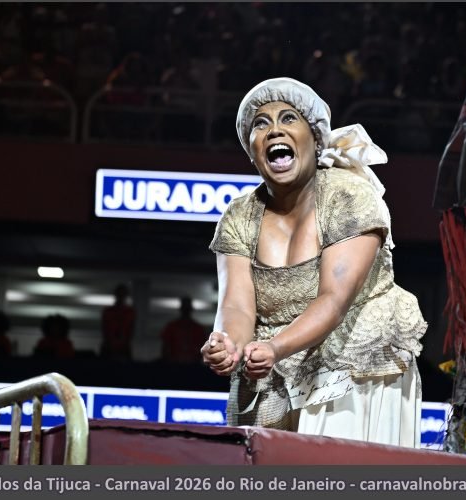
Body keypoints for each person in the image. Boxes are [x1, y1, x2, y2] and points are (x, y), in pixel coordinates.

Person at [200, 77, 426, 446]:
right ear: (251, 148)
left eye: (288, 118)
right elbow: (237, 304)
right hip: (274, 367)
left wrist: (275, 347)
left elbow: (333, 301)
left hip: (352, 370)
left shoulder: (349, 194)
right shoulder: (239, 215)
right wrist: (228, 344)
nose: (274, 130)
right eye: (261, 123)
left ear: (315, 138)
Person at [161, 297, 207, 363]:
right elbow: (165, 347)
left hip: (192, 364)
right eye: (185, 308)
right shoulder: (171, 327)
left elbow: (202, 348)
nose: (186, 310)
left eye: (187, 308)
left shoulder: (198, 328)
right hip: (175, 364)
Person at [100, 283, 135, 360]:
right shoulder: (108, 312)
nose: (121, 297)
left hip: (123, 347)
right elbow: (105, 329)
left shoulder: (130, 313)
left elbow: (130, 330)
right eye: (119, 294)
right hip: (109, 347)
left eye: (122, 294)